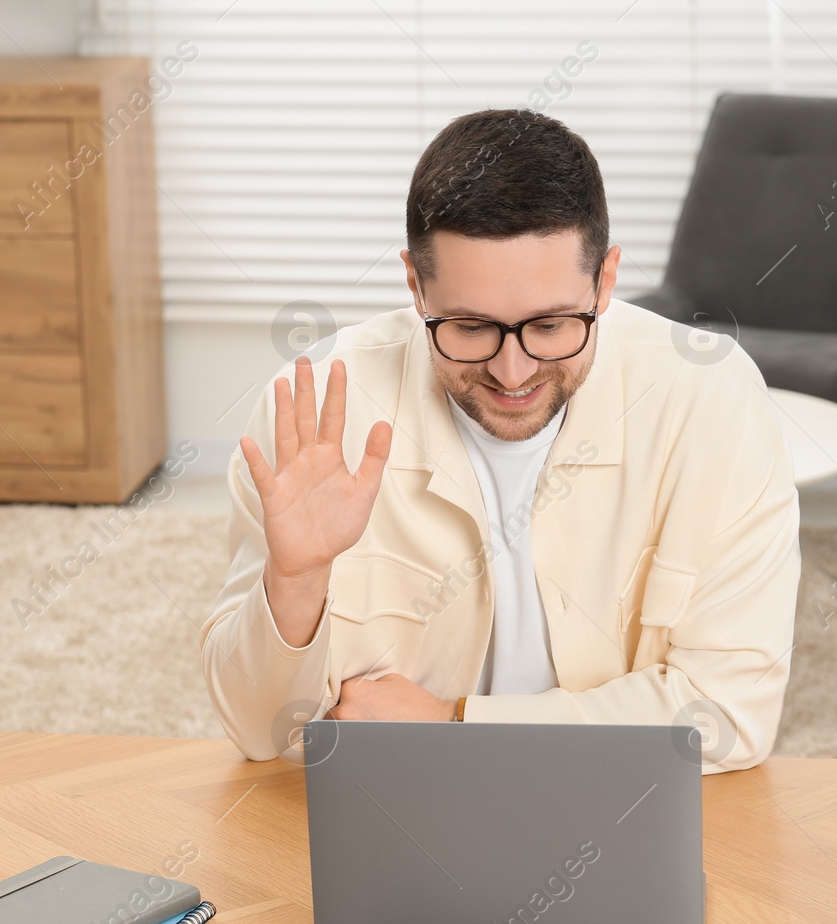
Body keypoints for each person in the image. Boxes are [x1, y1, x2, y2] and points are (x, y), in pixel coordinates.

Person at [200, 108, 799, 773]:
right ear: (414, 285)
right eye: (470, 328)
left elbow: (728, 713)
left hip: (621, 811)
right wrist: (295, 581)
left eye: (549, 326)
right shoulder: (314, 415)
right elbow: (259, 733)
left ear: (605, 281)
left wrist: (452, 725)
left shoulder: (710, 400)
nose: (512, 373)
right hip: (398, 811)